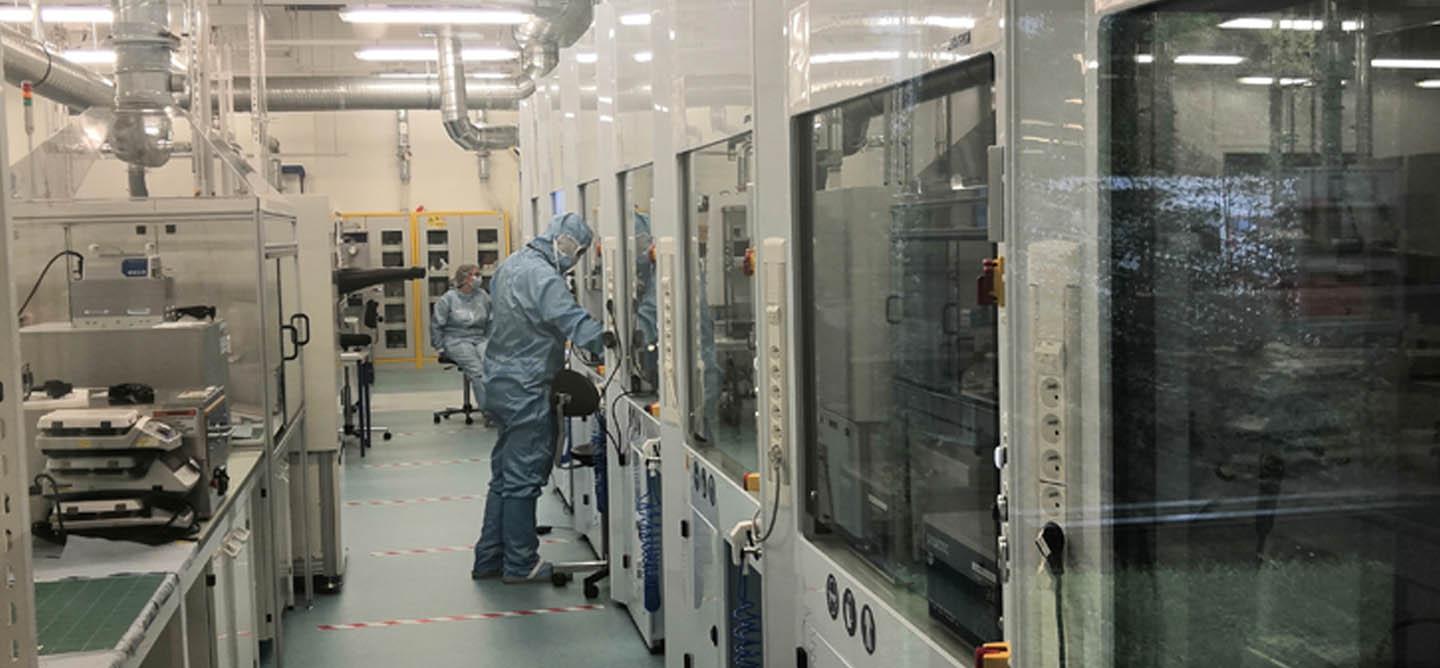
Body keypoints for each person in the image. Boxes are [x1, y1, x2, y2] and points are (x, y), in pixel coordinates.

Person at [474, 213, 608, 583]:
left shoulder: (510, 265)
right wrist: (613, 343)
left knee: (503, 475)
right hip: (527, 387)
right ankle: (520, 564)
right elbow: (573, 322)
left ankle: (489, 557)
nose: (575, 261)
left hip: (499, 381)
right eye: (578, 253)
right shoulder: (544, 278)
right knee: (523, 479)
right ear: (567, 245)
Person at [430, 264, 491, 410]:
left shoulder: (482, 296)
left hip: (480, 338)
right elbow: (437, 324)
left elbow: (491, 320)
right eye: (475, 274)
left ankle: (500, 408)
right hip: (456, 340)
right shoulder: (448, 299)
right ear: (464, 278)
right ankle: (490, 412)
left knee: (493, 368)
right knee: (478, 372)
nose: (478, 278)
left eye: (479, 274)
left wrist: (490, 339)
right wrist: (439, 346)